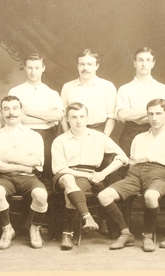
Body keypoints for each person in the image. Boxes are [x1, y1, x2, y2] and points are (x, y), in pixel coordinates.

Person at [97, 99, 165, 252]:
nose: (154, 118)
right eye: (151, 114)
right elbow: (133, 162)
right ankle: (125, 233)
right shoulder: (139, 138)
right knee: (104, 196)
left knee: (151, 197)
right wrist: (132, 175)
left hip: (158, 174)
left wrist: (164, 173)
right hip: (135, 174)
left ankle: (148, 235)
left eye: (159, 114)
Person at [51, 102, 128, 250]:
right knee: (67, 179)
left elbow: (123, 157)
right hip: (66, 173)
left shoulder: (99, 137)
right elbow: (59, 168)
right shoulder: (60, 140)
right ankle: (88, 217)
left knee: (71, 189)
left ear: (87, 118)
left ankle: (67, 234)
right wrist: (85, 174)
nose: (78, 121)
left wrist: (103, 173)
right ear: (67, 119)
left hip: (91, 176)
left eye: (82, 116)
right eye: (74, 117)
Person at [0, 95, 48, 250]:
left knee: (41, 195)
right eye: (6, 109)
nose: (11, 112)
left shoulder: (34, 136)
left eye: (15, 108)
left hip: (29, 178)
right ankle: (7, 230)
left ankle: (34, 228)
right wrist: (22, 166)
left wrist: (8, 158)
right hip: (4, 177)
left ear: (21, 111)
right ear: (1, 112)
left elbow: (37, 161)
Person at [8, 54, 64, 179]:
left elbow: (59, 116)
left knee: (47, 173)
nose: (33, 72)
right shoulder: (15, 92)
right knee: (26, 173)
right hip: (23, 136)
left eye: (37, 68)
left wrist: (29, 112)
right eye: (30, 68)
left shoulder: (51, 93)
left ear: (43, 68)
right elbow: (17, 118)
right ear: (24, 68)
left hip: (47, 136)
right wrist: (47, 118)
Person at [115, 47, 165, 156]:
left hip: (155, 132)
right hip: (130, 133)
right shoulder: (125, 88)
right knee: (127, 168)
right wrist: (153, 112)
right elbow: (122, 114)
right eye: (140, 60)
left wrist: (133, 113)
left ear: (153, 63)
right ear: (134, 63)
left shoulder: (162, 88)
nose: (144, 64)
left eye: (148, 60)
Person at [60, 49, 117, 136]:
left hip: (99, 132)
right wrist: (68, 135)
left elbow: (112, 116)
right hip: (74, 133)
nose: (85, 68)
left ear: (97, 66)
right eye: (82, 64)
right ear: (77, 66)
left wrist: (104, 137)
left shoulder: (107, 86)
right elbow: (63, 115)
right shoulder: (67, 87)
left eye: (89, 64)